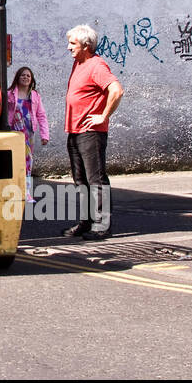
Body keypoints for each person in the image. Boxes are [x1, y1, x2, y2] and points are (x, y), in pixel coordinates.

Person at [62, 24, 123, 239]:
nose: (68, 47)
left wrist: (103, 116)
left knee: (95, 180)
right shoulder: (79, 64)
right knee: (81, 181)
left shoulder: (96, 65)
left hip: (91, 132)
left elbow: (116, 90)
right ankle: (86, 222)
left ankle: (102, 224)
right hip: (75, 131)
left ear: (86, 45)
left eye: (72, 43)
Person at [6, 66, 49, 203]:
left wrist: (44, 135)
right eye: (23, 75)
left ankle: (27, 193)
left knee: (27, 163)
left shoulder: (35, 95)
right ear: (17, 78)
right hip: (13, 133)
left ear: (31, 80)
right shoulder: (10, 94)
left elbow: (41, 115)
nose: (25, 77)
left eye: (28, 76)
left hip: (29, 134)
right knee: (12, 163)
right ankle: (11, 192)